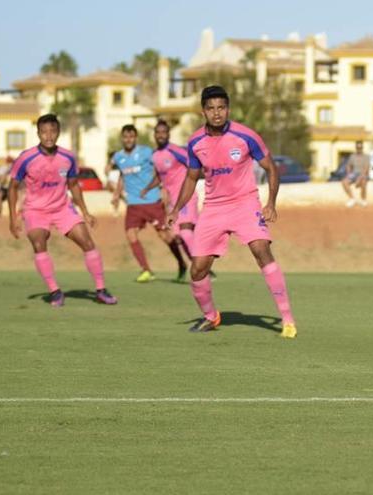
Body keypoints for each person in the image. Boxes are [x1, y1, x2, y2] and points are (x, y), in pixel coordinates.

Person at [172, 85, 296, 338]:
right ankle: (211, 317)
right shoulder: (195, 142)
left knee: (261, 249)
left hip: (245, 203)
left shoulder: (246, 136)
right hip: (214, 208)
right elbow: (190, 178)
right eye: (211, 108)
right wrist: (176, 209)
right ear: (203, 111)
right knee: (197, 269)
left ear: (227, 109)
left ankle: (287, 319)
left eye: (221, 108)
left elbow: (271, 167)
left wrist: (271, 202)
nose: (217, 113)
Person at [8, 113, 117, 307]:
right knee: (39, 243)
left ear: (58, 132)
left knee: (88, 243)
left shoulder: (68, 157)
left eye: (52, 131)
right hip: (35, 210)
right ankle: (55, 291)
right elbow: (13, 187)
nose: (48, 136)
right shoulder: (26, 157)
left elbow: (74, 185)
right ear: (38, 134)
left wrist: (85, 211)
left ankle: (101, 290)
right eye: (44, 132)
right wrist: (13, 217)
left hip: (62, 208)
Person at [112, 124, 180, 282]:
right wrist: (116, 194)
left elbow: (159, 170)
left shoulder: (146, 152)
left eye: (131, 136)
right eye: (125, 137)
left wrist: (163, 188)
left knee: (164, 236)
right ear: (122, 138)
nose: (128, 139)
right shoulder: (118, 157)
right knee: (131, 234)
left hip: (152, 201)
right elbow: (122, 175)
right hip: (133, 204)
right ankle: (146, 270)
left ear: (135, 138)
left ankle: (181, 262)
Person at [143, 119, 199, 282]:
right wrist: (147, 188)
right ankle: (188, 265)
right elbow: (160, 177)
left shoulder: (175, 151)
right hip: (173, 203)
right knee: (176, 237)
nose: (160, 135)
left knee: (186, 232)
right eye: (158, 132)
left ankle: (202, 267)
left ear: (168, 134)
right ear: (154, 135)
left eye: (163, 132)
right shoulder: (155, 155)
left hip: (186, 197)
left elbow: (194, 166)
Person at [341, 141, 370, 207]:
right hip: (354, 173)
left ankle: (363, 200)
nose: (359, 149)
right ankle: (352, 199)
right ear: (356, 148)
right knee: (344, 182)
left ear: (362, 148)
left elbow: (366, 169)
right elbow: (349, 166)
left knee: (363, 182)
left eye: (360, 147)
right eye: (358, 147)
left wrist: (359, 178)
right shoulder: (352, 156)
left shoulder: (366, 157)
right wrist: (348, 174)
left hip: (363, 174)